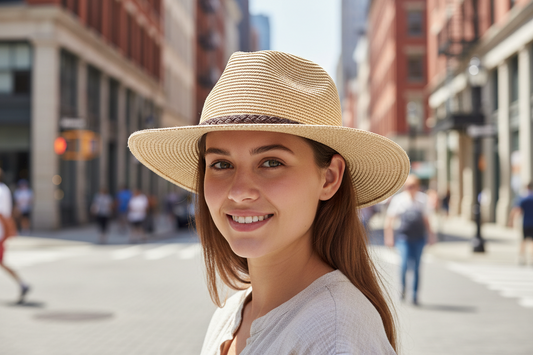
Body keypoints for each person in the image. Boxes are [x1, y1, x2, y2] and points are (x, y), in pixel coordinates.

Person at [128, 51, 410, 354]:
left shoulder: (335, 334)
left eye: (271, 162)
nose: (239, 191)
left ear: (329, 178)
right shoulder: (232, 313)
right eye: (221, 165)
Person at [384, 175, 437, 305]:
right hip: (404, 238)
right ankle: (403, 289)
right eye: (408, 186)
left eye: (412, 186)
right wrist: (389, 238)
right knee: (403, 265)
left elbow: (426, 219)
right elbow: (389, 220)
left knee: (417, 266)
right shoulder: (399, 200)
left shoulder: (423, 200)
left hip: (419, 238)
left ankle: (414, 295)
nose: (410, 189)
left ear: (418, 187)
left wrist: (431, 235)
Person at [0, 169, 31, 304]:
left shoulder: (1, 190)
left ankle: (22, 284)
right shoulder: (5, 189)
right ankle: (22, 284)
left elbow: (2, 213)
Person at [508, 182, 533, 265]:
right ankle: (531, 258)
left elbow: (516, 210)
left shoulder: (523, 198)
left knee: (523, 240)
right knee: (532, 242)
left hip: (525, 223)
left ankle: (522, 258)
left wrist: (511, 220)